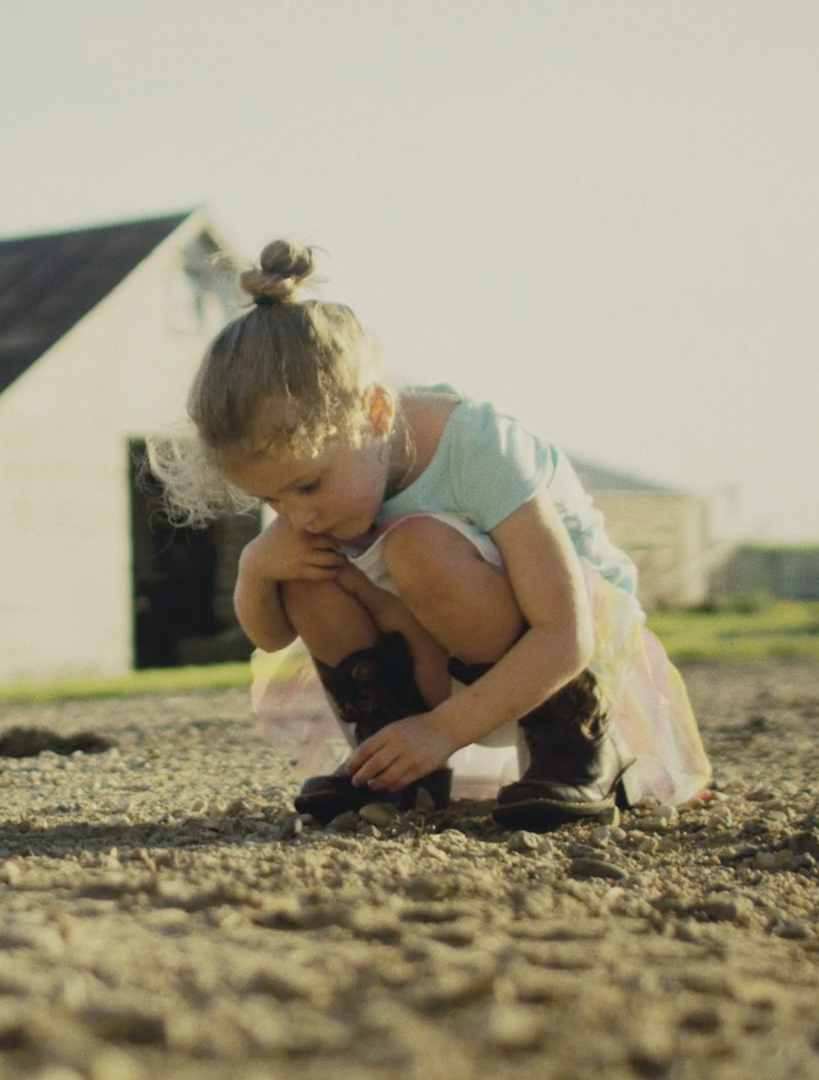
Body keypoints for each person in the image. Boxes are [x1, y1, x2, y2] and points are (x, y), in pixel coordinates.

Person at [149, 240, 710, 831]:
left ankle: (575, 743)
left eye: (308, 486)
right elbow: (270, 634)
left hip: (572, 660)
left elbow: (565, 633)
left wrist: (442, 730)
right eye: (270, 499)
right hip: (439, 658)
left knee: (419, 547)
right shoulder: (322, 495)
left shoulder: (477, 447)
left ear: (376, 413)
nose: (297, 513)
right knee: (302, 569)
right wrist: (257, 568)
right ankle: (393, 761)